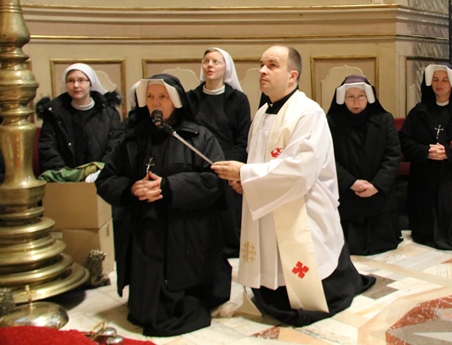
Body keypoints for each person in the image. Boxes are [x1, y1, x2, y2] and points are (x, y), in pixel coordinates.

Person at [211, 45, 375, 327]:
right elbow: (257, 158)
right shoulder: (262, 113)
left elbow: (301, 170)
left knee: (305, 261)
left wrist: (247, 174)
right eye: (261, 64)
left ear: (292, 75)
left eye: (272, 65)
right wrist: (245, 182)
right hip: (267, 202)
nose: (263, 70)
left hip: (304, 205)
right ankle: (270, 293)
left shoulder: (308, 113)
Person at [95, 74, 231, 336]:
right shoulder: (131, 140)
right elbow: (106, 180)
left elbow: (214, 181)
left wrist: (168, 187)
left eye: (162, 96)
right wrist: (131, 188)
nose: (155, 103)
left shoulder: (198, 137)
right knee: (144, 309)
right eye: (150, 97)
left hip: (186, 232)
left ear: (176, 101)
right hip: (147, 231)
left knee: (185, 295)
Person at [398, 63, 452, 250]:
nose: (439, 84)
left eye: (444, 80)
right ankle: (425, 233)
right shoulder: (418, 112)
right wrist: (426, 151)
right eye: (435, 80)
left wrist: (449, 153)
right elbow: (404, 142)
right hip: (425, 173)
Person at [326, 75, 402, 255]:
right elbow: (327, 159)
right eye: (350, 97)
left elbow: (393, 155)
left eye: (361, 96)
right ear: (342, 98)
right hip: (348, 193)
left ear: (369, 97)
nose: (356, 102)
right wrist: (351, 182)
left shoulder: (384, 119)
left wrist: (377, 185)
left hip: (378, 194)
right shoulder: (331, 122)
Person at [188, 47, 251, 258]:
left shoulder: (238, 100)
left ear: (226, 68)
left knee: (230, 216)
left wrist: (226, 166)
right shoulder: (191, 99)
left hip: (229, 165)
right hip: (198, 165)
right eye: (206, 61)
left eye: (216, 62)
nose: (210, 65)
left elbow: (243, 138)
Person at [36, 63, 123, 174]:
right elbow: (48, 147)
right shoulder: (54, 113)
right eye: (70, 81)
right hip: (64, 177)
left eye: (81, 80)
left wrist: (101, 170)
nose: (76, 85)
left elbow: (115, 145)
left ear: (90, 83)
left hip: (101, 175)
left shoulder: (109, 113)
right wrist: (65, 174)